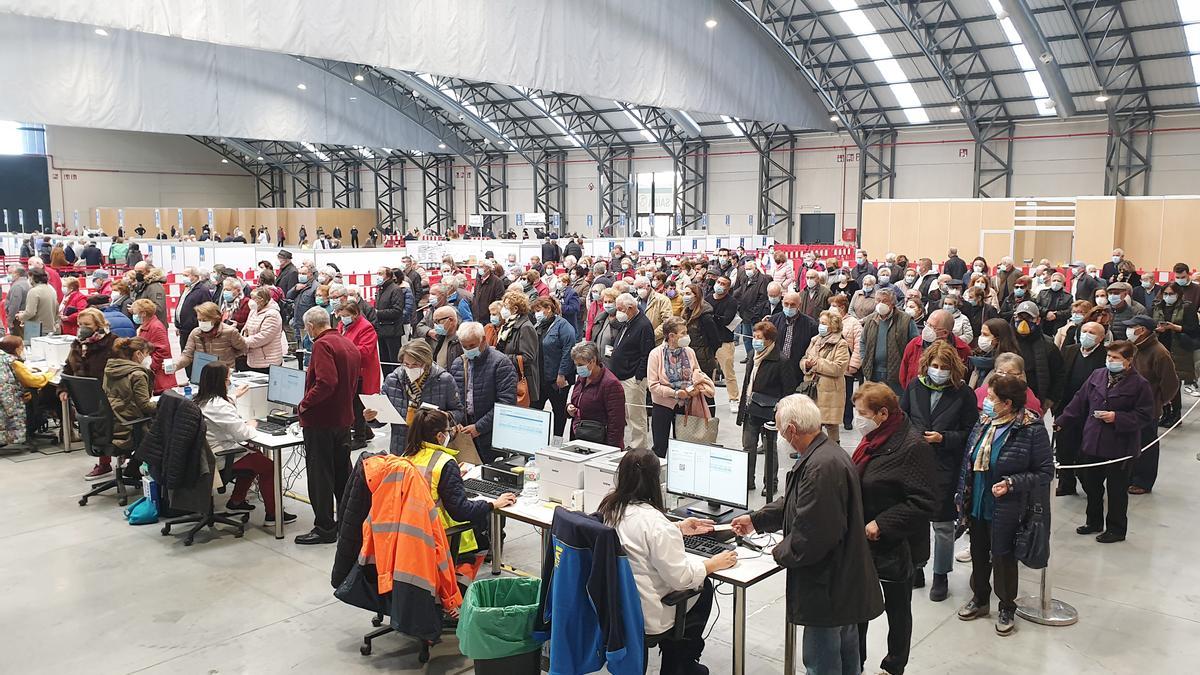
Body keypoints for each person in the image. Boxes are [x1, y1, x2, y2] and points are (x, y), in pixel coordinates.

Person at [730, 394, 883, 672]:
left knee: (822, 664)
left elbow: (811, 539)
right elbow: (794, 501)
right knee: (847, 659)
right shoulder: (824, 454)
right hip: (844, 584)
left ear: (790, 430)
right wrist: (756, 520)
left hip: (828, 590)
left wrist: (773, 553)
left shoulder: (820, 468)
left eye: (779, 429)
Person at [598, 448, 735, 673]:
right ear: (655, 481)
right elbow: (681, 578)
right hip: (647, 614)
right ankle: (680, 664)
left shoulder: (610, 509)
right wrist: (713, 564)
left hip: (618, 606)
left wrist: (678, 527)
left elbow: (639, 535)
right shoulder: (655, 523)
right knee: (703, 587)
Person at [848, 382, 936, 675]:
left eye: (861, 413)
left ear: (883, 413)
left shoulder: (912, 446)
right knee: (857, 606)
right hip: (862, 543)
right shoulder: (872, 440)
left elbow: (923, 502)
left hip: (896, 547)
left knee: (897, 611)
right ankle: (854, 662)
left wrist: (882, 524)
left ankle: (893, 665)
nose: (856, 418)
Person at [956, 375, 1053, 636]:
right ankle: (980, 599)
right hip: (977, 501)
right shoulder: (985, 422)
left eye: (991, 398)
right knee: (978, 552)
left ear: (1007, 403)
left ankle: (1006, 605)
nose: (986, 402)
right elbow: (969, 458)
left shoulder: (1031, 429)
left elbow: (1045, 472)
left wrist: (1012, 483)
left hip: (1008, 507)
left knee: (1003, 557)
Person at [898, 339, 978, 605]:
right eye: (934, 365)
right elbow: (902, 418)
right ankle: (917, 567)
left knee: (943, 526)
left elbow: (970, 432)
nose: (938, 370)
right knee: (914, 519)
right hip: (914, 462)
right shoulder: (914, 386)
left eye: (944, 366)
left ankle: (941, 574)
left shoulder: (963, 394)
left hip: (946, 465)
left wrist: (943, 438)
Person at [1055, 339, 1147, 546]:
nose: (1110, 361)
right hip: (1093, 440)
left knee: (1116, 489)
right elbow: (1079, 401)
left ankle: (1116, 528)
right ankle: (1093, 521)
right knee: (1092, 485)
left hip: (1120, 445)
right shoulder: (1097, 375)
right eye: (1109, 356)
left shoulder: (1140, 384)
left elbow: (1145, 414)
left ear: (1128, 360)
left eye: (1115, 358)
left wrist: (1117, 418)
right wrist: (1061, 421)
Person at [192, 362, 295, 523]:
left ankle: (236, 501)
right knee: (268, 467)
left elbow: (221, 410)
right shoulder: (219, 406)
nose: (230, 381)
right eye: (228, 379)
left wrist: (234, 396)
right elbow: (242, 434)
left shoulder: (201, 400)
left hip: (207, 453)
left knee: (257, 456)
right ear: (220, 382)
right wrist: (252, 425)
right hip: (219, 456)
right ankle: (273, 516)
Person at [295, 307, 361, 545]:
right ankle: (347, 523)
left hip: (321, 420)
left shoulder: (323, 345)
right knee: (342, 473)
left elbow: (326, 382)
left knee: (320, 475)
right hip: (342, 418)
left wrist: (304, 405)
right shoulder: (347, 343)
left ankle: (324, 528)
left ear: (311, 327)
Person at [58, 308, 120, 479]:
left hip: (108, 393)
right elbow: (68, 366)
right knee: (92, 429)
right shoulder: (77, 343)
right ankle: (104, 464)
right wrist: (63, 387)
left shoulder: (112, 342)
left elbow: (121, 368)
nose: (82, 328)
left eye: (87, 324)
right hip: (85, 395)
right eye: (80, 324)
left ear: (98, 325)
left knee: (111, 429)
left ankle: (124, 464)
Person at [736, 321, 797, 496]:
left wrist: (780, 411)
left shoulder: (781, 360)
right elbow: (748, 383)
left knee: (770, 449)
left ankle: (770, 483)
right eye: (754, 337)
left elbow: (788, 389)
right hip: (750, 409)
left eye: (759, 338)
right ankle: (747, 480)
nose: (756, 340)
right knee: (748, 447)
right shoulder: (752, 355)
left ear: (770, 340)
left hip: (769, 412)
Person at [369, 340, 462, 453]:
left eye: (415, 365)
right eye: (406, 364)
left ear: (426, 363)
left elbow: (458, 412)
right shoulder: (392, 380)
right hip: (401, 447)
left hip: (432, 447)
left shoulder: (444, 380)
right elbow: (382, 419)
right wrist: (372, 417)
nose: (410, 368)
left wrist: (446, 416)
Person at [1051, 321, 1109, 496]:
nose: (1087, 334)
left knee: (1086, 451)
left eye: (1092, 332)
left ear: (1101, 337)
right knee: (1064, 448)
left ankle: (1090, 485)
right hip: (1066, 408)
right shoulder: (1070, 350)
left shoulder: (1105, 356)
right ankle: (1066, 482)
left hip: (1091, 411)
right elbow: (1059, 375)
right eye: (1084, 331)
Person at [1125, 316, 1180, 495]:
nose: (1129, 331)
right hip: (1129, 406)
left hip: (1148, 408)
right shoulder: (1133, 347)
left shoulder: (1159, 352)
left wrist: (1158, 401)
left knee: (1147, 444)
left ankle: (1143, 481)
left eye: (1132, 327)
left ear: (1143, 330)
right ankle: (1129, 476)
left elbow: (1171, 383)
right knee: (1131, 442)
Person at [646, 317, 715, 457]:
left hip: (686, 406)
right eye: (682, 333)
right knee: (660, 447)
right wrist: (675, 393)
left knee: (684, 446)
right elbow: (653, 385)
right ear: (671, 336)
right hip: (663, 406)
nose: (686, 336)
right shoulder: (655, 354)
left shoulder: (689, 352)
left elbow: (696, 370)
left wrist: (695, 383)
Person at [450, 322, 518, 462]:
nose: (468, 350)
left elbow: (506, 403)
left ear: (483, 340)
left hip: (491, 434)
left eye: (472, 346)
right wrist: (455, 420)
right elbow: (453, 399)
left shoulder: (500, 363)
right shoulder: (458, 363)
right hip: (464, 433)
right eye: (465, 346)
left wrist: (479, 427)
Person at [1150, 283, 1199, 427]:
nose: (1168, 297)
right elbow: (1149, 323)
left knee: (1174, 382)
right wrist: (1157, 328)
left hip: (1178, 349)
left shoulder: (1188, 308)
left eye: (1171, 294)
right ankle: (1165, 412)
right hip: (1160, 347)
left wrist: (1175, 327)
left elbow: (1194, 329)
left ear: (1178, 294)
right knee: (1160, 382)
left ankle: (1176, 414)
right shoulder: (1156, 306)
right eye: (1165, 293)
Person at [800, 310, 850, 443]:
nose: (820, 325)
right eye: (820, 322)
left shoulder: (841, 344)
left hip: (830, 390)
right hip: (812, 387)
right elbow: (804, 358)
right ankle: (812, 449)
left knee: (831, 424)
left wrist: (816, 363)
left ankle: (834, 450)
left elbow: (839, 368)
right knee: (813, 423)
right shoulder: (815, 340)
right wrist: (806, 364)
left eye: (824, 323)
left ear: (832, 326)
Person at [338, 300, 382, 450]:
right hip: (349, 370)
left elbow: (364, 351)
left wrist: (343, 351)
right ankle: (366, 431)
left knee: (358, 405)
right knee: (349, 403)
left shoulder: (366, 328)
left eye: (346, 315)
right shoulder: (342, 326)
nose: (343, 318)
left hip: (362, 372)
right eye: (341, 315)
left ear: (356, 314)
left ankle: (360, 437)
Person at [102, 336, 157, 453]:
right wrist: (164, 403)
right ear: (138, 354)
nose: (149, 358)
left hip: (111, 426)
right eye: (147, 353)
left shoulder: (110, 369)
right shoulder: (137, 374)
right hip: (129, 429)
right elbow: (145, 406)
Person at [531, 296, 576, 437]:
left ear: (548, 309)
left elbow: (568, 352)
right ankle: (534, 440)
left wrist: (562, 373)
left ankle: (557, 441)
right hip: (540, 377)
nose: (536, 314)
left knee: (559, 411)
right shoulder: (539, 325)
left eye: (538, 310)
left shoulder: (564, 326)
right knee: (535, 409)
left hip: (557, 379)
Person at [859, 288, 918, 395]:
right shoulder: (870, 319)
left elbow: (916, 345)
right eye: (878, 300)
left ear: (892, 303)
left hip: (896, 374)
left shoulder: (905, 320)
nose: (880, 304)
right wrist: (864, 360)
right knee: (875, 404)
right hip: (873, 373)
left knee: (894, 405)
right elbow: (863, 342)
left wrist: (909, 367)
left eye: (884, 301)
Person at [568, 341, 627, 448]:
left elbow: (617, 423)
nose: (578, 368)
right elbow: (576, 402)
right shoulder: (582, 378)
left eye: (580, 365)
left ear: (593, 361)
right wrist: (569, 408)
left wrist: (610, 451)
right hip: (580, 439)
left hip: (600, 443)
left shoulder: (611, 384)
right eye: (576, 364)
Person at [1012, 300, 1064, 411]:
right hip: (1008, 399)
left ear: (1038, 320)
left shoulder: (1048, 346)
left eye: (1029, 318)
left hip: (1036, 401)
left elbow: (1059, 375)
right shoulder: (1008, 342)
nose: (1024, 322)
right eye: (1020, 318)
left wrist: (1050, 399)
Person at [494, 290, 542, 405]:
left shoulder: (525, 327)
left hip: (520, 379)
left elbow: (528, 357)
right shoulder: (508, 325)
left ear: (515, 309)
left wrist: (502, 358)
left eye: (506, 306)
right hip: (508, 376)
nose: (503, 310)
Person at [175, 302, 247, 373]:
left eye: (205, 320)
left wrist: (229, 356)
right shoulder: (195, 333)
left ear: (215, 318)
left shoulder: (230, 332)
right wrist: (175, 365)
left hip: (224, 373)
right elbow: (187, 355)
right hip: (203, 373)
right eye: (199, 320)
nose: (202, 323)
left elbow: (243, 348)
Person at [706, 275, 740, 411]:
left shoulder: (731, 302)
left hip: (724, 341)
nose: (720, 285)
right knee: (707, 371)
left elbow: (726, 320)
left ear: (728, 287)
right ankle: (707, 397)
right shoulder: (708, 298)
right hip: (708, 341)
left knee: (728, 373)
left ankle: (734, 399)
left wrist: (711, 317)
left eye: (724, 284)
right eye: (719, 282)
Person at [128, 298, 176, 394]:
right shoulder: (145, 326)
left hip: (159, 378)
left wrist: (149, 367)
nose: (134, 315)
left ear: (143, 313)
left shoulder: (156, 327)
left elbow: (163, 352)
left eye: (135, 312)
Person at [174, 267, 213, 373]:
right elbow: (181, 306)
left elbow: (207, 310)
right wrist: (178, 324)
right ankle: (189, 377)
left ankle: (195, 379)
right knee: (185, 355)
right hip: (183, 329)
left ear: (195, 276)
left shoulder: (202, 290)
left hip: (195, 330)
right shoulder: (186, 288)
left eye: (186, 275)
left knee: (194, 357)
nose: (184, 278)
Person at [241, 287, 286, 373]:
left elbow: (264, 337)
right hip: (253, 358)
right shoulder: (254, 311)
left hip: (268, 361)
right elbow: (246, 328)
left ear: (262, 300)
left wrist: (243, 341)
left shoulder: (272, 314)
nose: (251, 301)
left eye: (254, 299)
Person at [733, 259, 770, 361]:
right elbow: (740, 292)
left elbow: (762, 298)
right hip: (745, 313)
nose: (747, 271)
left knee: (757, 337)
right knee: (746, 337)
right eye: (746, 269)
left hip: (755, 315)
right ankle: (749, 356)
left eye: (750, 269)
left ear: (755, 269)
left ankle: (757, 355)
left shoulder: (762, 280)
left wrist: (755, 312)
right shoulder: (745, 278)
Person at [19, 269, 57, 336]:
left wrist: (21, 316)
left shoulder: (34, 291)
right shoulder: (51, 290)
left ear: (32, 278)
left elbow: (30, 312)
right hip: (50, 328)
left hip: (36, 329)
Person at [4, 266, 30, 338]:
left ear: (17, 274)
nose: (9, 275)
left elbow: (14, 305)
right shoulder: (28, 283)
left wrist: (10, 320)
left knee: (17, 341)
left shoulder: (17, 286)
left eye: (10, 273)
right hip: (25, 317)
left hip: (17, 319)